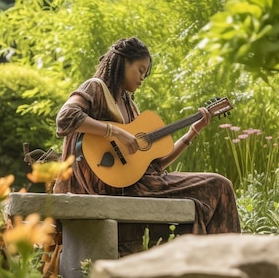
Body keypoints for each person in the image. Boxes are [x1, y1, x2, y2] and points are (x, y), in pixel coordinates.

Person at [53, 37, 241, 239]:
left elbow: (157, 165)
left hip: (135, 183)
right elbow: (65, 118)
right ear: (124, 62)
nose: (142, 78)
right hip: (103, 185)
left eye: (145, 73)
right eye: (140, 70)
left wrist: (192, 132)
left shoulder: (130, 106)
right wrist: (115, 132)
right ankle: (227, 260)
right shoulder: (95, 87)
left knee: (219, 185)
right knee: (218, 185)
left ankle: (217, 260)